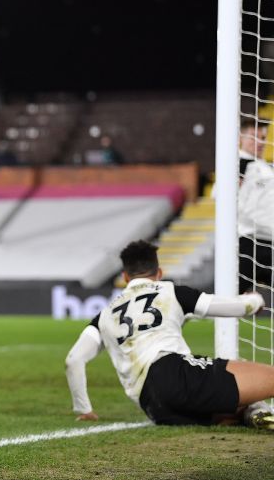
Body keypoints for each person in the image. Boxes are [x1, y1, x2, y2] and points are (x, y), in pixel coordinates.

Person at [65, 240, 274, 429]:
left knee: (233, 409)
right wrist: (254, 301)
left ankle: (254, 412)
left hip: (154, 407)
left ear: (125, 277)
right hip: (173, 374)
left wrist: (85, 410)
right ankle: (255, 409)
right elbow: (231, 307)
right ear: (159, 272)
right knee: (265, 376)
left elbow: (73, 360)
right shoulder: (170, 291)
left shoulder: (104, 314)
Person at [237, 118, 273, 293]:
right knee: (227, 299)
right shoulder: (238, 165)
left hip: (270, 243)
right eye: (253, 137)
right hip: (248, 243)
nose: (259, 142)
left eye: (262, 137)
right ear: (240, 138)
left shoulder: (265, 167)